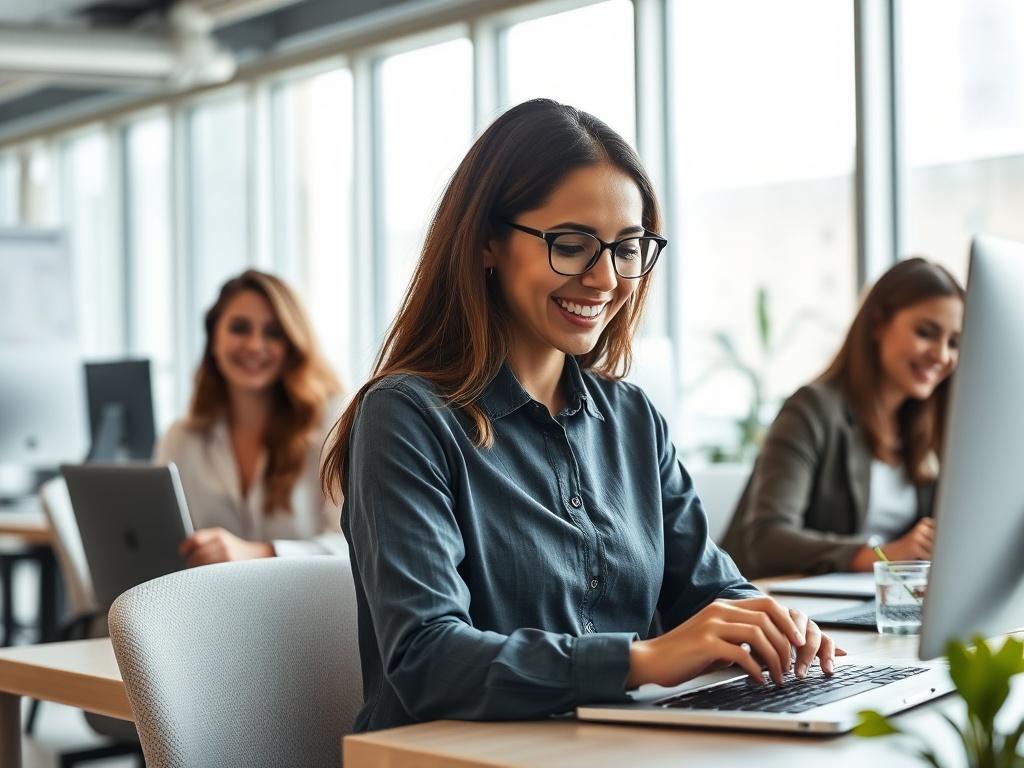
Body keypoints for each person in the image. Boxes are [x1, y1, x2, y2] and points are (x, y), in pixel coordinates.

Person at [322, 99, 840, 733]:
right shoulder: (406, 417)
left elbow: (708, 590)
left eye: (627, 249)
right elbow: (427, 659)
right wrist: (641, 661)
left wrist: (773, 626)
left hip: (608, 742)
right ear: (486, 242)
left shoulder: (633, 420)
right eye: (571, 246)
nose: (605, 279)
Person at [722, 258, 964, 578]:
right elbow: (767, 539)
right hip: (772, 596)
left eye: (953, 342)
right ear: (878, 324)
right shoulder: (812, 410)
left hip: (875, 595)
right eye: (926, 333)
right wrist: (881, 555)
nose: (941, 355)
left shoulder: (930, 426)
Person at [155, 269, 346, 565]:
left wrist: (259, 553)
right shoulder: (181, 438)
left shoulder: (332, 424)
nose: (255, 345)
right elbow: (160, 543)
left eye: (273, 333)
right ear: (213, 337)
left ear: (292, 345)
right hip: (203, 595)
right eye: (240, 328)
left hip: (304, 596)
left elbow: (352, 546)